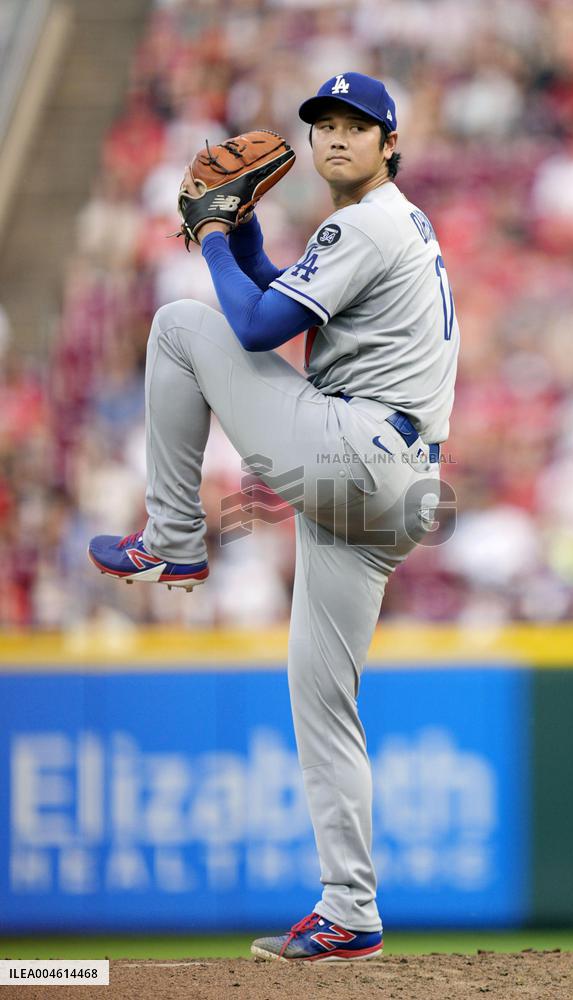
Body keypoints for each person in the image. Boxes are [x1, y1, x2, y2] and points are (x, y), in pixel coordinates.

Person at [88, 72, 459, 961]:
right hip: (394, 488)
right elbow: (274, 306)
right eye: (323, 124)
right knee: (323, 704)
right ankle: (350, 912)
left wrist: (212, 231)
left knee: (181, 324)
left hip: (358, 455)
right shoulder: (392, 224)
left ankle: (175, 539)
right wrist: (243, 237)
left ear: (389, 145)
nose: (334, 138)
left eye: (355, 127)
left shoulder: (363, 221)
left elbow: (249, 331)